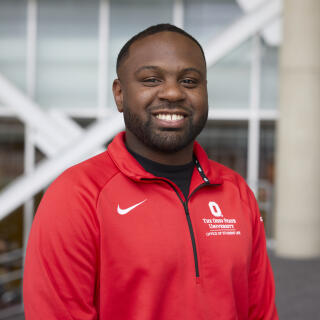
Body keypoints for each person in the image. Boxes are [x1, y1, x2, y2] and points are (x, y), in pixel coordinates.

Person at [23, 24, 278, 319]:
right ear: (120, 94)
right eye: (152, 79)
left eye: (189, 81)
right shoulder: (76, 195)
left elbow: (260, 311)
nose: (172, 92)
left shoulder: (236, 192)